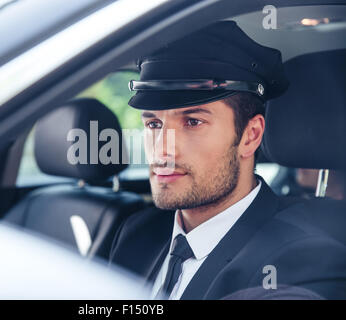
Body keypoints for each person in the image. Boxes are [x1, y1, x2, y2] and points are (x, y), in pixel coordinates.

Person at [109, 21, 346, 300]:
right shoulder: (136, 232)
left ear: (250, 135)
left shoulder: (301, 261)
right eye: (153, 125)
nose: (163, 151)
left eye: (193, 122)